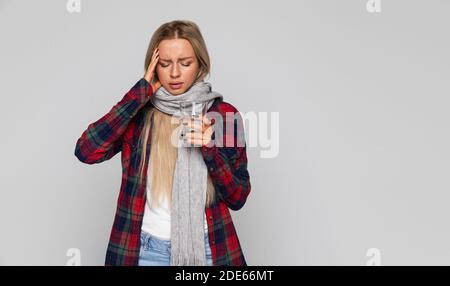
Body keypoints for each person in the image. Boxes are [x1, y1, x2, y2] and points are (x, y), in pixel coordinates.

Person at [74, 20, 251, 266]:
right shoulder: (139, 113)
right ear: (154, 66)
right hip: (144, 252)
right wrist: (138, 94)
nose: (175, 73)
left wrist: (210, 148)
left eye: (185, 63)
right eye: (165, 64)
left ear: (200, 64)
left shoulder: (223, 116)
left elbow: (238, 197)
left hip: (208, 250)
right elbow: (86, 151)